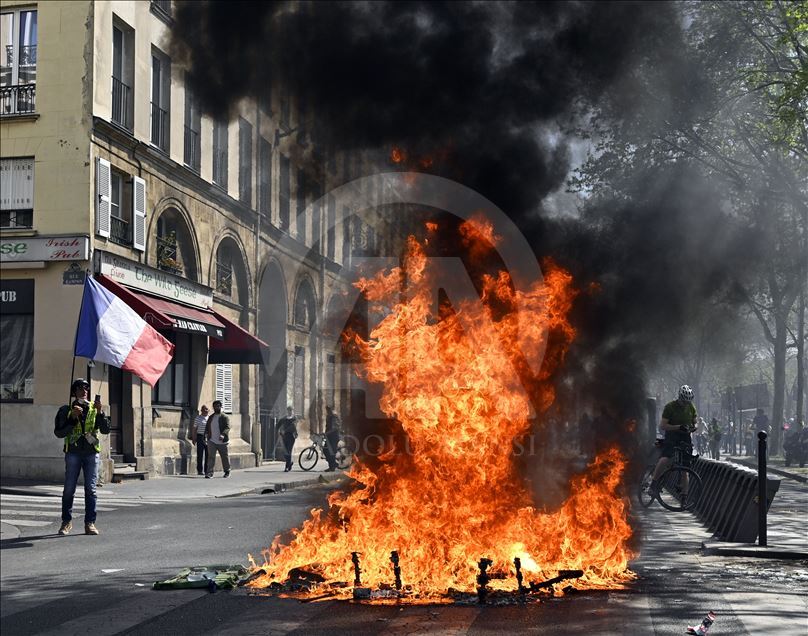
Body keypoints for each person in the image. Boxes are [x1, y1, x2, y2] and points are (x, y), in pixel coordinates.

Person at [53, 378, 110, 536]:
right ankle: (66, 522)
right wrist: (72, 418)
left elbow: (105, 430)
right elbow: (59, 432)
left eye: (86, 388)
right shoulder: (66, 409)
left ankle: (90, 523)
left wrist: (100, 413)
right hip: (73, 452)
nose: (84, 390)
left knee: (91, 489)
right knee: (69, 489)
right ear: (73, 392)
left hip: (91, 453)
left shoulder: (94, 407)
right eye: (80, 388)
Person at [649, 385, 697, 496]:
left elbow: (695, 421)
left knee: (686, 467)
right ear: (680, 397)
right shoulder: (670, 407)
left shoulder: (691, 407)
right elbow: (663, 425)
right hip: (672, 436)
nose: (686, 404)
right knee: (666, 458)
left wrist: (695, 426)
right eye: (684, 402)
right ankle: (654, 484)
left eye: (688, 402)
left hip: (685, 437)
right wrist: (678, 427)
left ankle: (684, 496)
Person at [205, 400, 230, 478]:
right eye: (215, 406)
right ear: (213, 407)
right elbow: (207, 427)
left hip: (222, 441)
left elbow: (227, 427)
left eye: (218, 406)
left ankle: (227, 471)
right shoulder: (211, 417)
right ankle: (209, 473)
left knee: (224, 457)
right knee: (211, 457)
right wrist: (206, 435)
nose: (216, 407)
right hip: (212, 440)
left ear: (220, 406)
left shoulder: (224, 417)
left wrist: (223, 434)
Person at [277, 406, 298, 472]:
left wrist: (295, 433)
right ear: (287, 411)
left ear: (293, 411)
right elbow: (278, 425)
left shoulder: (294, 418)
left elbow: (294, 427)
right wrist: (280, 431)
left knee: (289, 451)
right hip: (285, 436)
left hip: (291, 436)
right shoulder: (284, 418)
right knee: (285, 452)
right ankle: (290, 463)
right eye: (289, 410)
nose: (290, 412)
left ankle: (286, 467)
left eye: (291, 410)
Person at [190, 405, 209, 476]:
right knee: (200, 454)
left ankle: (207, 470)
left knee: (208, 454)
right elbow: (194, 428)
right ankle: (200, 470)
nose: (206, 411)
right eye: (205, 409)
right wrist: (194, 438)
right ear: (202, 410)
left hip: (208, 437)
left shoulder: (209, 418)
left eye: (207, 409)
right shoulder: (198, 418)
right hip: (200, 436)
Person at [323, 405, 341, 472]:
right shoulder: (329, 416)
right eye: (327, 410)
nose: (327, 411)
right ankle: (332, 464)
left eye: (328, 410)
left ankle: (332, 466)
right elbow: (327, 427)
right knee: (325, 450)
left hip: (334, 436)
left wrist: (327, 433)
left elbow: (335, 428)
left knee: (331, 452)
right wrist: (325, 433)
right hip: (329, 437)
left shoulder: (334, 416)